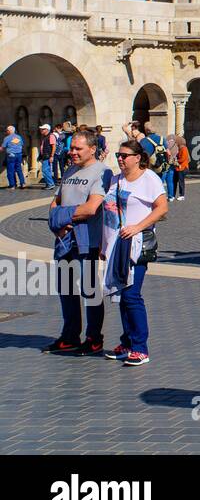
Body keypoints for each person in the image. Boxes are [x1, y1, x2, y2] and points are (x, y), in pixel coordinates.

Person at [43, 130, 112, 356]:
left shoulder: (102, 172)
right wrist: (58, 225)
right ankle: (70, 335)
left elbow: (91, 208)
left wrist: (62, 216)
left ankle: (94, 338)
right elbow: (55, 203)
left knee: (89, 290)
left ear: (92, 149)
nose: (72, 152)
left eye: (77, 149)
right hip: (64, 238)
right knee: (65, 288)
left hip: (87, 241)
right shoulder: (70, 170)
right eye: (72, 148)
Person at [103, 138, 169, 366]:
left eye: (124, 155)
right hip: (115, 244)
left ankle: (141, 347)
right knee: (121, 294)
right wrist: (105, 246)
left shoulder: (149, 178)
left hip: (137, 243)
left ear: (138, 157)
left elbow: (162, 207)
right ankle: (128, 342)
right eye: (118, 156)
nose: (120, 159)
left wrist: (137, 227)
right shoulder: (116, 179)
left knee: (132, 295)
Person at [4, 125, 26, 189]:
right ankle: (22, 183)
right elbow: (21, 145)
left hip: (11, 155)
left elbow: (3, 147)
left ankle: (12, 185)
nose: (6, 131)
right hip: (19, 155)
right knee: (19, 169)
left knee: (10, 170)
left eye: (7, 130)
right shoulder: (19, 137)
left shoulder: (7, 138)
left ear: (10, 131)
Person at [38, 122, 58, 189]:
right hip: (45, 155)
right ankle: (48, 184)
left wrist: (52, 156)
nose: (41, 130)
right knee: (47, 170)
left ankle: (50, 184)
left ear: (47, 130)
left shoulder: (51, 136)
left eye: (43, 129)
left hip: (48, 156)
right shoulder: (45, 137)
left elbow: (54, 146)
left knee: (45, 170)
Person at [173, 135, 190, 202]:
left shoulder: (184, 148)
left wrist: (176, 160)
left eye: (176, 142)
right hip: (179, 168)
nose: (176, 144)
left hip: (182, 168)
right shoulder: (181, 148)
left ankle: (182, 195)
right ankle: (173, 195)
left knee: (181, 182)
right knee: (175, 181)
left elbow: (183, 158)